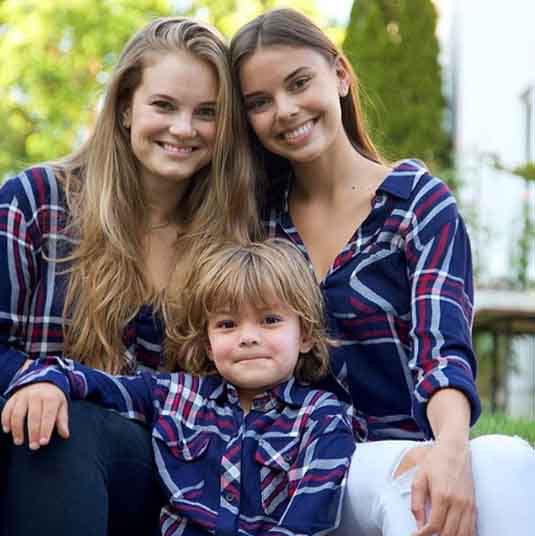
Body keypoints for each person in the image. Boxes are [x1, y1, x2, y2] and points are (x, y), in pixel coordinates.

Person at [229, 8, 535, 536]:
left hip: (411, 450)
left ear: (341, 75)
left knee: (505, 460)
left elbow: (443, 350)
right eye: (260, 102)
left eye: (300, 83)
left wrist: (452, 454)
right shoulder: (256, 224)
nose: (285, 110)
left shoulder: (418, 202)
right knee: (409, 486)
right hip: (299, 468)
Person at [0, 16, 260, 536]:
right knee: (59, 429)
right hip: (37, 460)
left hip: (174, 476)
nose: (183, 129)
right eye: (164, 106)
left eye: (206, 113)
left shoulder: (238, 236)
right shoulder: (36, 204)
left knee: (74, 431)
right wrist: (35, 381)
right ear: (124, 108)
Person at [2, 239, 356, 536]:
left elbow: (309, 515)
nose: (248, 337)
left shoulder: (321, 418)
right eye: (228, 324)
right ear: (207, 343)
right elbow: (99, 385)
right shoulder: (176, 395)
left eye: (270, 320)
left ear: (306, 335)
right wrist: (49, 381)